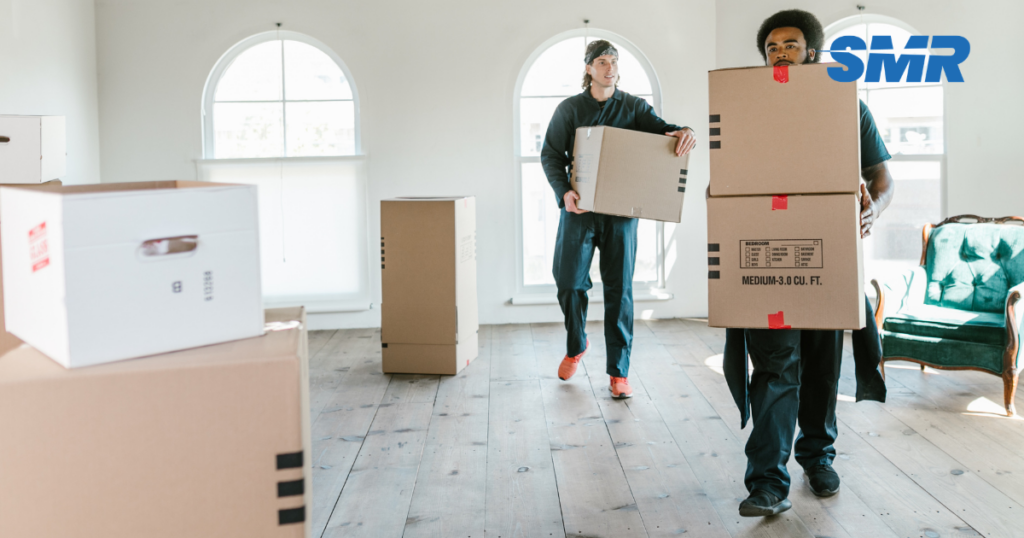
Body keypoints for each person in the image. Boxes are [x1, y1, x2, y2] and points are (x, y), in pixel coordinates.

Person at [728, 9, 895, 517]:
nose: (780, 52)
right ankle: (767, 483)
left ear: (812, 52)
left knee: (822, 368)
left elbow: (882, 179)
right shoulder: (745, 108)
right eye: (772, 47)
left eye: (790, 45)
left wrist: (873, 209)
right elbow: (727, 180)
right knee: (774, 368)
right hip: (766, 257)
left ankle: (818, 456)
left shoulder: (848, 106)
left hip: (827, 256)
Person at [540, 40, 696, 399]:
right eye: (601, 62)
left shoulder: (634, 107)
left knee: (619, 290)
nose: (609, 67)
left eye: (613, 61)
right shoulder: (569, 109)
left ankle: (618, 372)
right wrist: (564, 193)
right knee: (569, 282)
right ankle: (577, 345)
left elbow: (664, 131)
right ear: (588, 69)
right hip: (579, 210)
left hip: (621, 214)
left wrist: (684, 130)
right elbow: (550, 154)